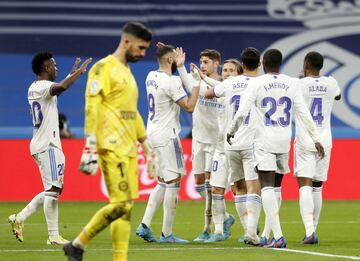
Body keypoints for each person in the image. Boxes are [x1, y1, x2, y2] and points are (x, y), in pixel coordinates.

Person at [63, 22, 153, 261]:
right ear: (126, 41)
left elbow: (132, 112)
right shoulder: (103, 68)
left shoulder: (127, 72)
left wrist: (146, 146)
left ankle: (119, 258)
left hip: (128, 148)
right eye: (141, 47)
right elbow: (91, 107)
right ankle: (77, 244)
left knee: (125, 208)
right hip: (110, 146)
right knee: (122, 205)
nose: (144, 54)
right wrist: (90, 145)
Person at [227, 49, 325, 248]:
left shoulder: (257, 83)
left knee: (267, 187)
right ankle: (267, 234)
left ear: (264, 63)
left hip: (265, 142)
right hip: (283, 141)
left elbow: (242, 111)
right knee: (276, 187)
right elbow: (304, 113)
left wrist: (231, 130)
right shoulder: (292, 83)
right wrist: (316, 137)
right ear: (280, 63)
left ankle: (278, 236)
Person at [8, 52, 91, 244]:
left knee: (53, 189)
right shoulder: (44, 86)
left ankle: (19, 218)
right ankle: (52, 235)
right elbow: (60, 86)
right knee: (53, 190)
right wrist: (78, 73)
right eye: (53, 65)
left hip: (42, 143)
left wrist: (70, 76)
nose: (56, 68)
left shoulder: (35, 87)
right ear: (46, 68)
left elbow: (58, 89)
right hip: (48, 144)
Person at [136, 45, 200, 243]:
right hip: (167, 135)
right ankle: (167, 234)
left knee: (163, 181)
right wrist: (196, 84)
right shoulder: (172, 82)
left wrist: (168, 52)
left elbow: (165, 60)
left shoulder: (150, 76)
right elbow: (189, 106)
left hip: (152, 133)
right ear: (171, 61)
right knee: (173, 183)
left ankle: (145, 225)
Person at [204, 49, 262, 245]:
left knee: (238, 188)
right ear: (259, 64)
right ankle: (251, 230)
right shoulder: (260, 84)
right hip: (252, 142)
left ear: (242, 66)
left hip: (230, 144)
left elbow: (209, 93)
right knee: (254, 186)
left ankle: (247, 230)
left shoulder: (229, 83)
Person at [177, 49, 224, 242]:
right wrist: (179, 64)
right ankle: (226, 217)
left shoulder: (223, 85)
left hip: (216, 142)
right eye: (201, 61)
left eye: (206, 62)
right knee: (199, 185)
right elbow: (184, 79)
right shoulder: (195, 80)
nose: (202, 65)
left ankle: (210, 227)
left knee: (213, 187)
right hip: (198, 139)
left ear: (216, 64)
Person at [294, 51, 341, 244]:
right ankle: (313, 228)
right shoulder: (331, 83)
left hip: (306, 140)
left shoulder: (299, 84)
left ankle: (310, 230)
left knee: (304, 184)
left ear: (306, 64)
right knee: (317, 186)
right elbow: (337, 97)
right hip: (325, 140)